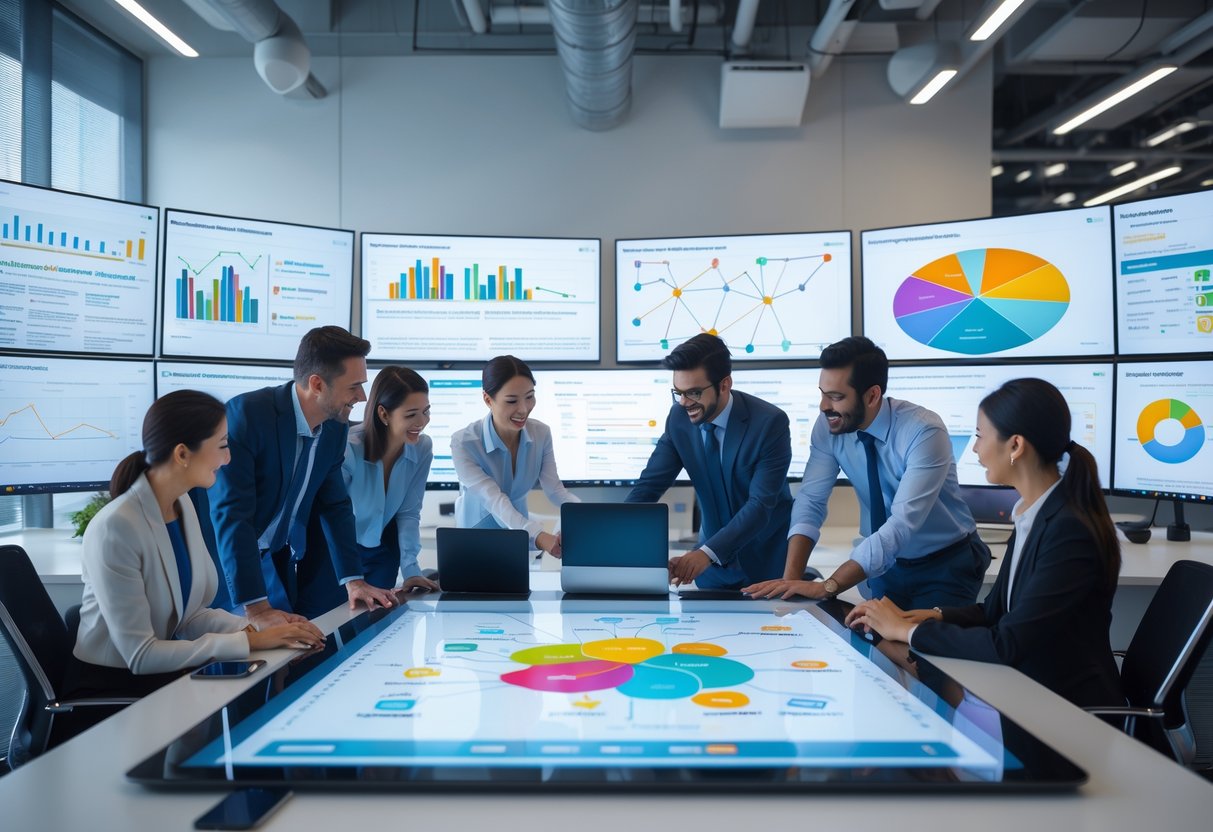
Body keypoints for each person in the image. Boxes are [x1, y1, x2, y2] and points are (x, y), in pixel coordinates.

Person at [844, 378, 1123, 708]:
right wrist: (928, 617)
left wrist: (906, 632)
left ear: (1015, 446)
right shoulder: (1033, 514)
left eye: (979, 436)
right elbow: (996, 612)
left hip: (1063, 712)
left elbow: (1007, 644)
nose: (975, 449)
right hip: (1030, 695)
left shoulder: (1069, 533)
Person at [63, 391, 324, 701]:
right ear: (183, 454)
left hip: (168, 680)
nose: (228, 459)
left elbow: (189, 619)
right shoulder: (115, 528)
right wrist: (251, 641)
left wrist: (259, 628)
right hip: (113, 692)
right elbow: (141, 656)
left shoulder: (182, 505)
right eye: (223, 446)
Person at [745, 336, 989, 607]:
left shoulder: (923, 431)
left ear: (872, 395)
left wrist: (828, 587)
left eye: (836, 397)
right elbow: (810, 501)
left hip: (944, 564)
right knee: (878, 646)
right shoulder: (829, 426)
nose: (824, 406)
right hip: (885, 566)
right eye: (822, 393)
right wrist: (789, 582)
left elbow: (901, 524)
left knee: (925, 645)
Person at [207, 326, 396, 626]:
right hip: (226, 563)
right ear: (317, 384)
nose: (362, 396)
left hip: (278, 555)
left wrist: (354, 579)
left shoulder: (334, 427)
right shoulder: (248, 416)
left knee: (294, 648)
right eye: (354, 386)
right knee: (243, 656)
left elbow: (335, 505)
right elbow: (233, 516)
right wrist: (256, 607)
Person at [627, 333, 792, 589]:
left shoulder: (769, 423)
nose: (683, 403)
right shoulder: (678, 419)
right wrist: (616, 532)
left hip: (765, 565)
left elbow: (760, 505)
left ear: (724, 385)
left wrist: (706, 553)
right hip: (710, 569)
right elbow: (649, 486)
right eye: (678, 393)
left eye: (693, 392)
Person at [450, 355, 578, 556]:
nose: (524, 409)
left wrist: (583, 517)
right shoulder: (464, 443)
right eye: (511, 401)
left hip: (519, 536)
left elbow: (555, 491)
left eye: (529, 396)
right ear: (487, 399)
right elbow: (494, 500)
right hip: (475, 541)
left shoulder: (541, 434)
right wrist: (539, 536)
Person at [343, 366, 439, 593]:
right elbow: (332, 514)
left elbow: (408, 512)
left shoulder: (422, 448)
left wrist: (411, 570)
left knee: (376, 623)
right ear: (384, 414)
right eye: (410, 414)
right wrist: (350, 577)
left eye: (426, 411)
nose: (422, 422)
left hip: (382, 551)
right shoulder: (349, 448)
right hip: (340, 554)